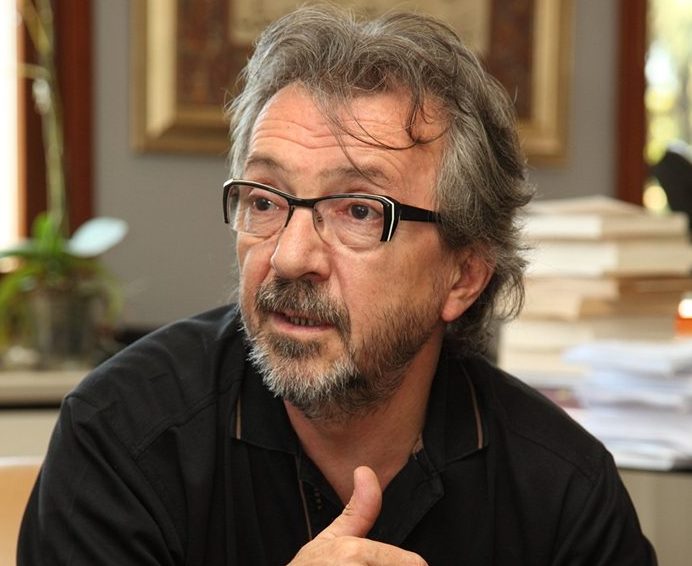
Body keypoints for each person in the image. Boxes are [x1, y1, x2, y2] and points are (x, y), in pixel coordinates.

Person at [19, 4, 656, 565]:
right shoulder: (121, 438)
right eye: (265, 200)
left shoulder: (562, 490)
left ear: (463, 276)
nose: (290, 256)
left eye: (358, 211)